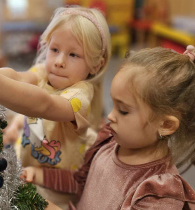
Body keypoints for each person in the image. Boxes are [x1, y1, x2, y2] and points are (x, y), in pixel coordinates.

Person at [0, 6, 111, 209]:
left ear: (96, 64)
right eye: (55, 50)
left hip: (54, 189)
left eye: (73, 55)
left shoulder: (81, 95)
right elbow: (18, 77)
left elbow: (44, 105)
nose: (59, 62)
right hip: (23, 166)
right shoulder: (44, 72)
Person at [21, 46, 195, 209]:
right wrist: (38, 174)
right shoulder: (108, 140)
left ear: (166, 125)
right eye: (113, 105)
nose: (111, 116)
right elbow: (80, 182)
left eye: (123, 111)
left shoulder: (159, 194)